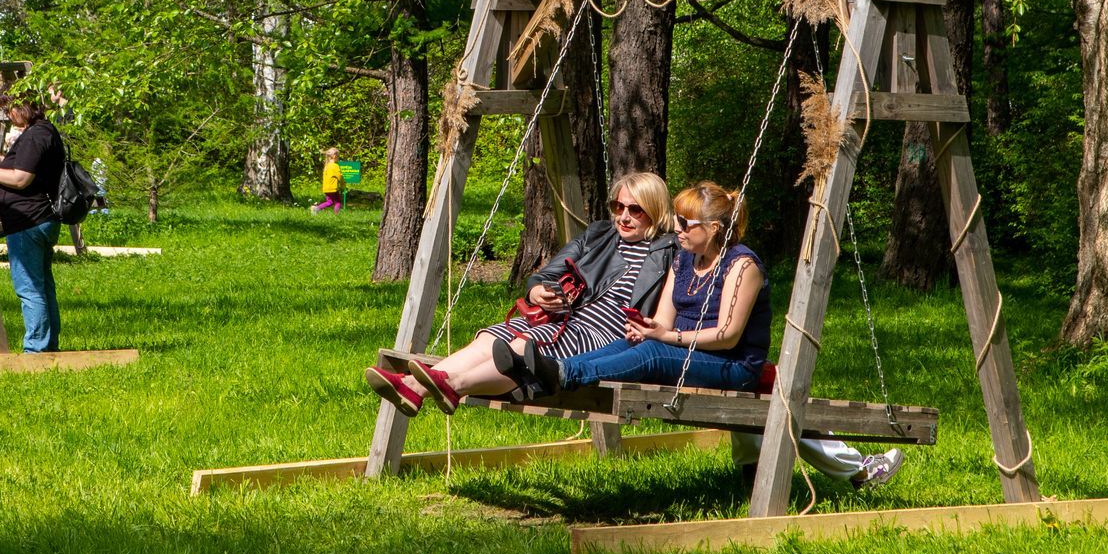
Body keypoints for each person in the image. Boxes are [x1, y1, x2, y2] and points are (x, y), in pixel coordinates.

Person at [510, 180, 904, 491]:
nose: (676, 229)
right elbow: (662, 320)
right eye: (677, 220)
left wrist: (665, 337)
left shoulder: (742, 264)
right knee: (634, 345)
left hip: (733, 366)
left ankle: (562, 375)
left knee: (651, 355)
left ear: (715, 228)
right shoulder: (683, 259)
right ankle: (556, 368)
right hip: (691, 355)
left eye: (686, 223)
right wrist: (647, 328)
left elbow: (729, 336)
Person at [364, 172, 679, 416]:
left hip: (606, 339)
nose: (623, 216)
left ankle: (450, 384)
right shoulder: (599, 235)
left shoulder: (668, 251)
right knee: (494, 337)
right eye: (618, 206)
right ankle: (413, 385)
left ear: (654, 210)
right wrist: (540, 291)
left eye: (635, 210)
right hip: (566, 320)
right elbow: (545, 276)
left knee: (522, 346)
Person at [0, 95, 65, 352]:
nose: (8, 114)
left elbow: (22, 179)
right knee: (43, 286)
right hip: (39, 218)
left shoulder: (36, 135)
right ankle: (47, 344)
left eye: (9, 108)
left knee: (30, 288)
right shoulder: (43, 132)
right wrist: (2, 161)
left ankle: (36, 349)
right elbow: (30, 167)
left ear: (23, 107)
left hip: (28, 221)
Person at [312, 147, 343, 212]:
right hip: (333, 188)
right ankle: (337, 216)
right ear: (334, 156)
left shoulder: (327, 166)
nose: (338, 158)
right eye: (338, 156)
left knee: (330, 202)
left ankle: (317, 208)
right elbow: (340, 176)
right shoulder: (335, 166)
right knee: (338, 202)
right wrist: (343, 184)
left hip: (326, 188)